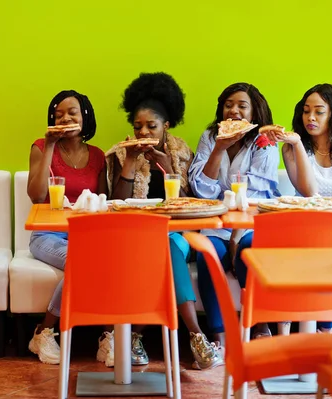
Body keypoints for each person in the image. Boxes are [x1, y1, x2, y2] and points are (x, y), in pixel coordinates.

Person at [107, 72, 222, 369]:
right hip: (135, 236)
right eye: (138, 127)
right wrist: (131, 162)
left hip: (179, 235)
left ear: (166, 126)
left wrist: (169, 168)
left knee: (168, 248)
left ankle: (137, 336)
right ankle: (196, 336)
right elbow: (115, 201)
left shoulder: (182, 152)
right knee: (163, 253)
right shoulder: (121, 153)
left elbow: (189, 202)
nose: (143, 132)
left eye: (151, 126)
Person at [270, 83, 332, 333]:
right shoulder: (293, 148)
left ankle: (324, 329)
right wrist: (295, 144)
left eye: (319, 111)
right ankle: (305, 329)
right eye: (306, 111)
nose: (311, 118)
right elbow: (309, 191)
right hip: (304, 232)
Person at [188, 83, 281, 344]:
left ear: (254, 112)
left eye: (242, 106)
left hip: (251, 223)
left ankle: (261, 325)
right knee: (208, 255)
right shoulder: (209, 136)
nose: (234, 111)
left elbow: (257, 192)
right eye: (229, 105)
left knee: (249, 250)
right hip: (215, 222)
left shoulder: (264, 140)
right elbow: (203, 191)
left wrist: (236, 236)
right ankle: (219, 335)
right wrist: (218, 148)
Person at [27, 90, 109, 365]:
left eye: (72, 112)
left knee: (108, 259)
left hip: (87, 235)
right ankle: (46, 330)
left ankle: (108, 336)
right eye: (58, 114)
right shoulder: (40, 147)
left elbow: (103, 202)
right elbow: (37, 196)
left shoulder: (98, 156)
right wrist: (50, 146)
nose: (65, 118)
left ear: (85, 117)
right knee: (83, 259)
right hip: (47, 235)